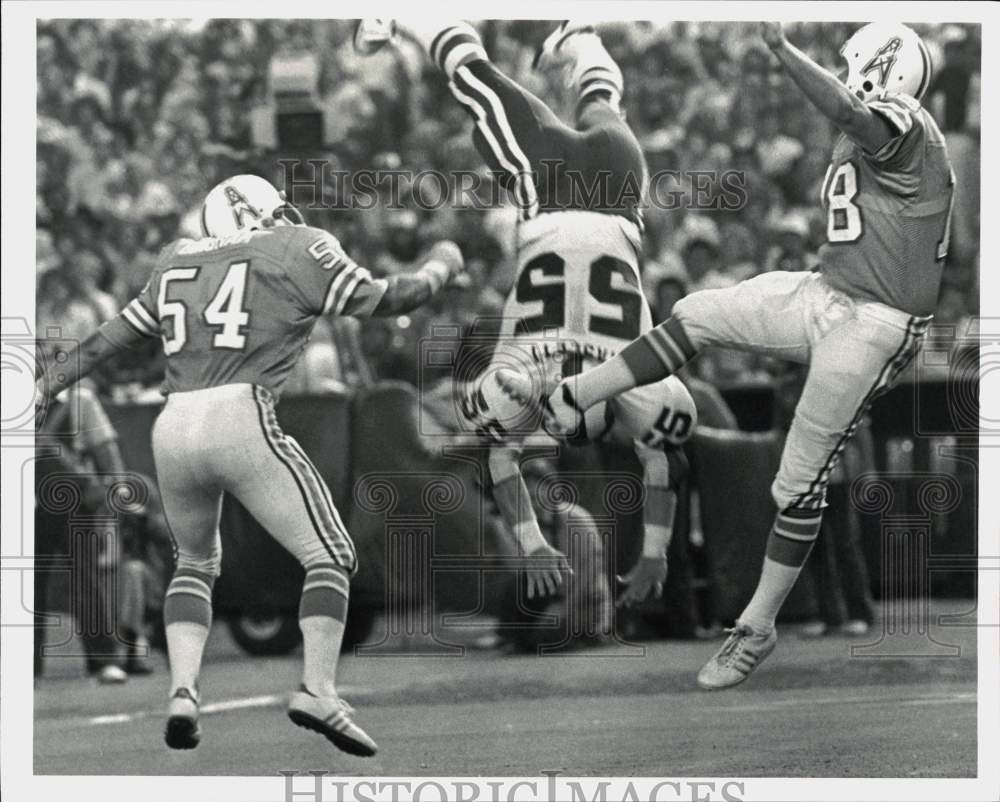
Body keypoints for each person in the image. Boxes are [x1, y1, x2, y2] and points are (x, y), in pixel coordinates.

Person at [511, 22, 954, 688]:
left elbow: (846, 109)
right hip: (829, 290)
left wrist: (784, 54)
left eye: (852, 61)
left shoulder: (906, 124)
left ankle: (758, 626)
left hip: (877, 322)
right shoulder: (878, 137)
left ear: (883, 67)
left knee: (797, 479)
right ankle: (578, 393)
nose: (843, 68)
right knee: (698, 314)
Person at [35, 174, 465, 752]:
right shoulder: (296, 245)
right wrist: (442, 259)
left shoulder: (176, 258)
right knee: (330, 553)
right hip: (240, 414)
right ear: (268, 211)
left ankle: (183, 693)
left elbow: (106, 341)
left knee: (194, 563)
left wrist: (45, 387)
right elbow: (396, 299)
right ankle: (317, 688)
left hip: (173, 426)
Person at [356, 20, 697, 608]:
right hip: (551, 191)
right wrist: (539, 542)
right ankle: (416, 20)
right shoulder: (538, 383)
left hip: (618, 197)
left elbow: (658, 460)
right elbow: (504, 457)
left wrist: (649, 552)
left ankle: (579, 37)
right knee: (477, 80)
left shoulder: (631, 383)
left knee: (598, 98)